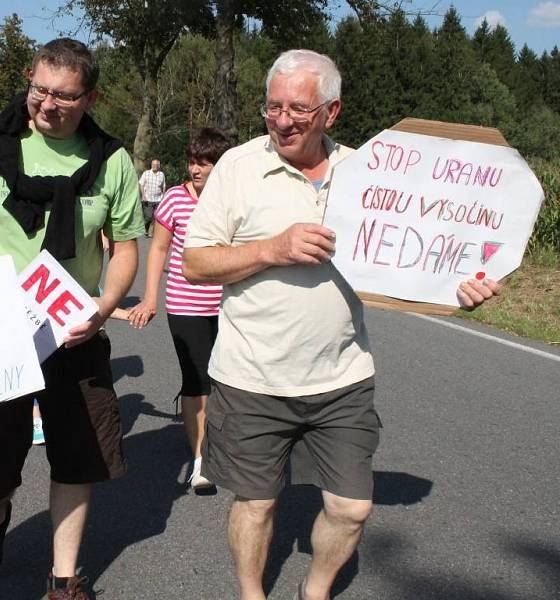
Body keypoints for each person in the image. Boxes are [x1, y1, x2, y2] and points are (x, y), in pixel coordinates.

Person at [182, 49, 502, 600]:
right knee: (256, 503)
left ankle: (316, 591)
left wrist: (461, 291)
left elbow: (420, 260)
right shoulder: (237, 165)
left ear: (332, 111)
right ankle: (250, 594)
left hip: (341, 377)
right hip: (251, 375)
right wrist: (272, 248)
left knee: (351, 508)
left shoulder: (369, 174)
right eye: (273, 107)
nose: (282, 120)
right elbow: (196, 262)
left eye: (298, 109)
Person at [0, 37, 143, 599]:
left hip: (76, 331)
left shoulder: (112, 160)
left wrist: (103, 308)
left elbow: (123, 246)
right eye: (39, 90)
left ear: (90, 98)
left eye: (64, 96)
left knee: (78, 455)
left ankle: (64, 578)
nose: (46, 104)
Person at [127, 128, 232, 490]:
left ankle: (225, 443)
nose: (196, 169)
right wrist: (150, 296)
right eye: (192, 162)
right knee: (197, 379)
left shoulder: (233, 200)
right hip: (186, 305)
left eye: (205, 163)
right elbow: (157, 250)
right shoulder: (174, 199)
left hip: (231, 306)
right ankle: (201, 459)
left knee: (228, 379)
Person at [139, 158, 166, 236]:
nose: (155, 166)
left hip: (158, 199)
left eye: (157, 165)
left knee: (156, 216)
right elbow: (141, 184)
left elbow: (163, 185)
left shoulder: (161, 174)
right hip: (148, 199)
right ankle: (146, 229)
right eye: (153, 165)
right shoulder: (146, 173)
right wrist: (143, 195)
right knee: (148, 217)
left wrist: (163, 196)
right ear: (151, 165)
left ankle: (152, 232)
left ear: (159, 166)